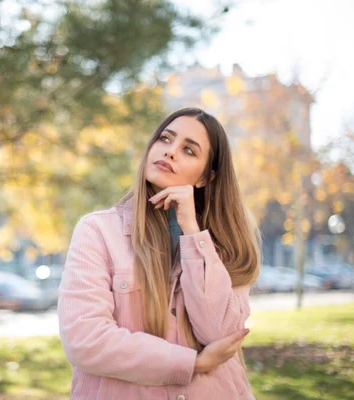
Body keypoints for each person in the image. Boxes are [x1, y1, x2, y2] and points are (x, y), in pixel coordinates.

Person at [58, 107, 261, 399]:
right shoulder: (97, 232)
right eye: (165, 139)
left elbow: (219, 334)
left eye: (189, 150)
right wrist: (193, 363)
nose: (170, 152)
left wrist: (192, 231)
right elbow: (85, 340)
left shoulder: (228, 243)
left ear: (206, 177)